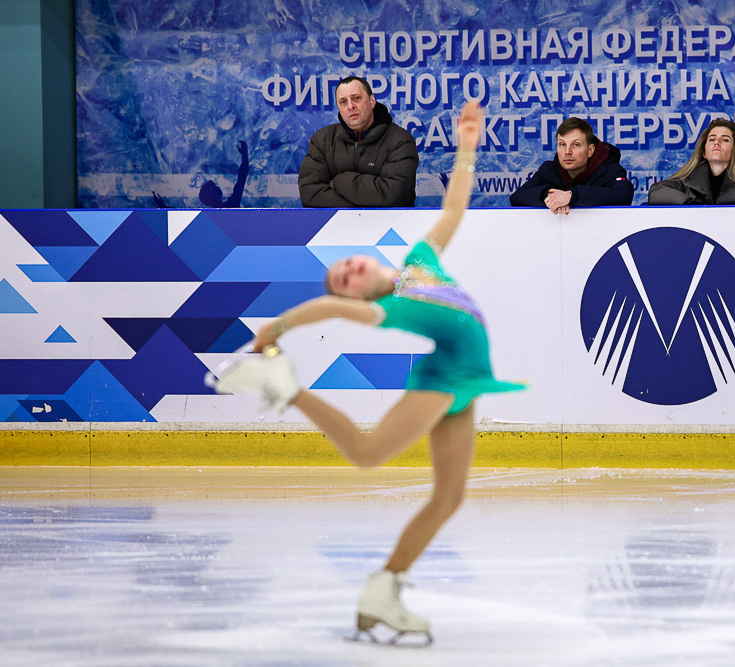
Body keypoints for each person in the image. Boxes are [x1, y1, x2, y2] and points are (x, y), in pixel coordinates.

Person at [210, 102, 523, 644]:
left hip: (464, 378)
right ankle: (287, 388)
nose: (349, 270)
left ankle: (385, 589)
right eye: (343, 278)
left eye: (349, 262)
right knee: (366, 451)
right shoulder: (389, 306)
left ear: (372, 259)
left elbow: (452, 210)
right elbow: (329, 309)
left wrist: (467, 147)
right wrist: (276, 329)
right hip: (446, 378)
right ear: (359, 293)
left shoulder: (421, 263)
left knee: (449, 497)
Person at [298, 76, 418, 208]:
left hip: (389, 226)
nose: (350, 106)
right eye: (343, 102)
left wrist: (338, 182)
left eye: (356, 98)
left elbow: (393, 195)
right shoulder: (322, 140)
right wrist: (359, 209)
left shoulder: (400, 140)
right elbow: (311, 195)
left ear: (372, 101)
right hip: (335, 226)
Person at [509, 117, 634, 214]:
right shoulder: (549, 170)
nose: (567, 152)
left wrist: (572, 196)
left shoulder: (609, 169)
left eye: (576, 145)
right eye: (562, 144)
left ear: (590, 150)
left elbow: (623, 196)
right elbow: (516, 198)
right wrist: (548, 196)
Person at [647, 118, 735, 205]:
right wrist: (692, 204)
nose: (717, 142)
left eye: (725, 140)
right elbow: (656, 192)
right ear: (704, 152)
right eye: (712, 139)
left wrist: (710, 207)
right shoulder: (688, 181)